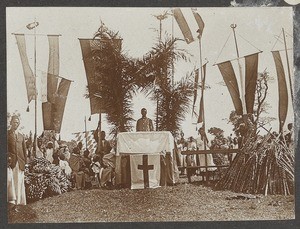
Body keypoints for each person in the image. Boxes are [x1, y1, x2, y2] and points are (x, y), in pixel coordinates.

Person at [7, 115, 27, 205]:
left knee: (19, 182)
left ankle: (19, 202)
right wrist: (8, 157)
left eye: (18, 122)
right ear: (11, 122)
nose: (16, 123)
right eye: (15, 122)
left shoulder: (21, 136)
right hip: (11, 162)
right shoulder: (7, 134)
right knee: (11, 181)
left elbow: (24, 150)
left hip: (20, 163)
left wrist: (25, 163)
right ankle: (12, 202)